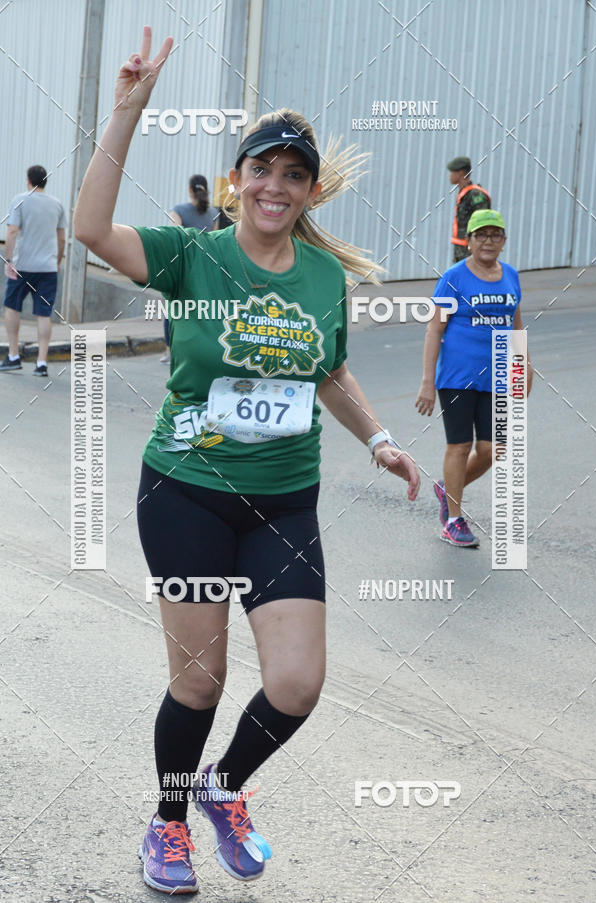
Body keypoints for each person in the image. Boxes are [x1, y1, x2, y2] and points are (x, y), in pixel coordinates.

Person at [73, 27, 420, 896]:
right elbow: (89, 229)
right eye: (262, 169)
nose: (276, 185)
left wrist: (378, 437)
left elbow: (328, 370)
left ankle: (225, 785)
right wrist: (128, 110)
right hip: (186, 493)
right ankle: (168, 823)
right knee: (200, 681)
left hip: (283, 503)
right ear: (237, 181)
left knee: (297, 683)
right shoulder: (192, 256)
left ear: (309, 192)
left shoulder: (323, 278)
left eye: (294, 174)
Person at [415, 209, 533, 547]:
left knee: (494, 449)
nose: (488, 241)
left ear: (504, 241)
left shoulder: (511, 276)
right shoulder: (454, 277)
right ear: (469, 241)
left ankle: (448, 488)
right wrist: (427, 382)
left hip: (498, 376)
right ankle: (453, 520)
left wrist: (525, 365)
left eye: (495, 235)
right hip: (458, 377)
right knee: (460, 445)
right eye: (481, 235)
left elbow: (515, 325)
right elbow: (434, 329)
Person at [1, 165, 66, 376]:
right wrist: (57, 262)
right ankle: (41, 363)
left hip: (22, 266)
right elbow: (62, 238)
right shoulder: (57, 204)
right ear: (45, 181)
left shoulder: (20, 200)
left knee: (12, 306)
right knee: (43, 313)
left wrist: (9, 260)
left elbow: (12, 231)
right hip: (48, 268)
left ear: (28, 180)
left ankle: (13, 356)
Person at [160, 176, 219, 362]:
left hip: (182, 267)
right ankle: (196, 350)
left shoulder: (178, 210)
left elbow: (174, 238)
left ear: (190, 190)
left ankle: (170, 351)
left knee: (173, 309)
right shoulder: (214, 213)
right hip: (204, 269)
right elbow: (213, 242)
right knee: (198, 311)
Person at [447, 156, 490, 263]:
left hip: (471, 250)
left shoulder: (475, 195)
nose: (450, 176)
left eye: (452, 172)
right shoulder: (464, 193)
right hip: (461, 248)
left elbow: (483, 223)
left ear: (461, 173)